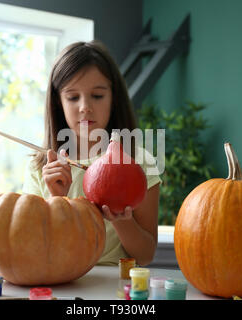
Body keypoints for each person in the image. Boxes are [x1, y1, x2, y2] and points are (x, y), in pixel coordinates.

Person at [22, 40, 162, 266]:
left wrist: (120, 220)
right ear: (58, 102)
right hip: (60, 282)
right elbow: (32, 250)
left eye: (97, 96)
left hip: (115, 285)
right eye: (73, 97)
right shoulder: (41, 167)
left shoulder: (141, 162)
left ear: (113, 99)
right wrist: (57, 200)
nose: (85, 106)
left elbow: (145, 256)